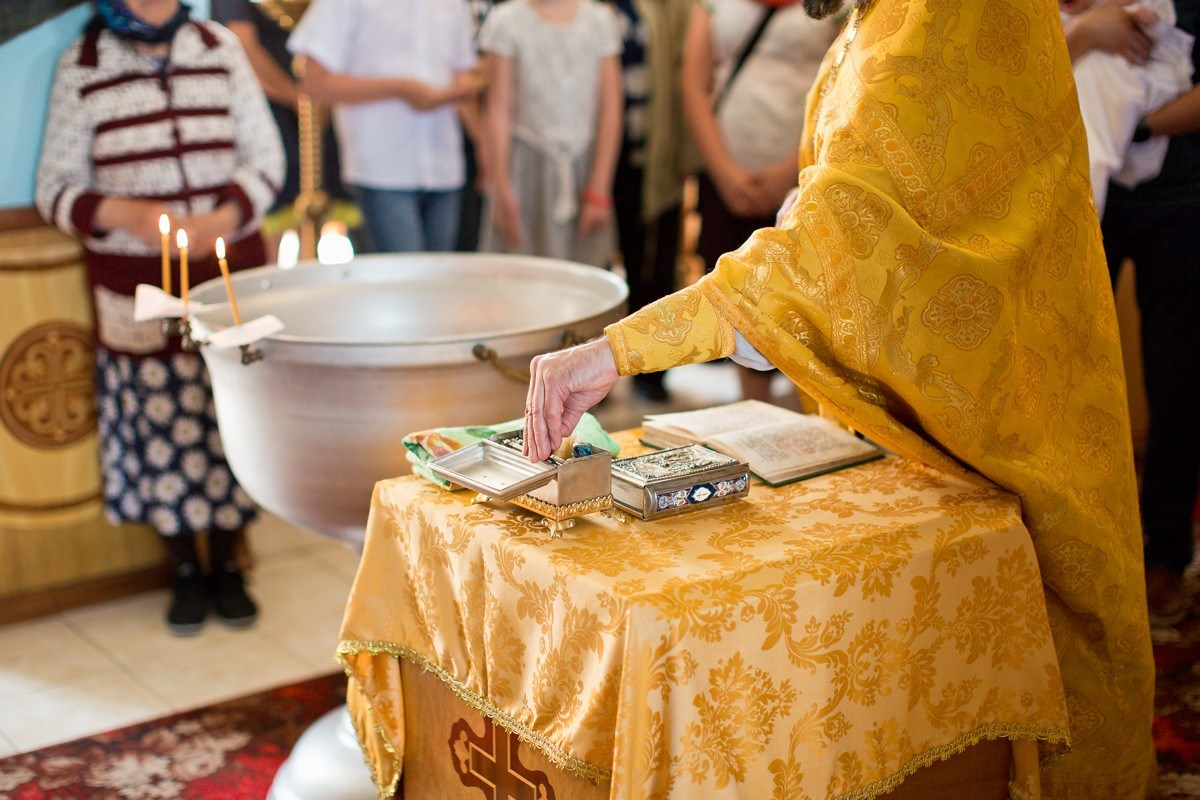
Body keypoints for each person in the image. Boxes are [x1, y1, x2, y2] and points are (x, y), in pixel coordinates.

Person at [522, 0, 1156, 794]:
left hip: (998, 412)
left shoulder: (942, 19)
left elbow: (843, 250)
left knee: (1038, 677)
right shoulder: (884, 15)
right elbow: (845, 210)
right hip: (936, 404)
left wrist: (619, 348)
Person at [36, 0, 285, 635]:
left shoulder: (218, 46)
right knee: (159, 428)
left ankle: (229, 564)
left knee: (234, 418)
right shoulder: (83, 62)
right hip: (135, 288)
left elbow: (266, 162)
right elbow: (56, 189)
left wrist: (221, 220)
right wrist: (132, 216)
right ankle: (183, 571)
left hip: (229, 278)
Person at [1067, 0, 1200, 628]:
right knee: (1067, 364)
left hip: (1183, 198)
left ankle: (1164, 553)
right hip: (1094, 189)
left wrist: (1133, 125)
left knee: (1176, 376)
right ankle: (1077, 540)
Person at [681, 0, 836, 402]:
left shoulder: (833, 5)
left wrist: (792, 169)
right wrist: (724, 172)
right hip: (728, 160)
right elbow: (693, 84)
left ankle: (812, 406)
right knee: (742, 290)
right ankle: (754, 405)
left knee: (806, 291)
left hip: (804, 164)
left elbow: (842, 81)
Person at [287, 0, 483, 254]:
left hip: (444, 164)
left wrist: (486, 148)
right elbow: (314, 83)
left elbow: (463, 70)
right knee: (401, 283)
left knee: (438, 282)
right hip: (381, 168)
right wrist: (400, 89)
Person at [478, 0, 624, 268]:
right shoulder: (506, 20)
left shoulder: (599, 21)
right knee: (522, 277)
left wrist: (599, 189)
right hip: (524, 169)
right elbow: (499, 108)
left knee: (585, 282)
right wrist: (500, 185)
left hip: (585, 169)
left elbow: (610, 107)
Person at [211, 0, 351, 261]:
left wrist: (324, 95)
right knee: (276, 215)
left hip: (321, 105)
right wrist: (301, 99)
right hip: (270, 110)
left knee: (328, 210)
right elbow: (246, 48)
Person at [609, 0, 695, 402]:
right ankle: (590, 374)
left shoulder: (668, 5)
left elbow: (683, 73)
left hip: (651, 151)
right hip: (592, 157)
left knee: (654, 264)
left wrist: (681, 150)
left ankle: (649, 368)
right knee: (594, 269)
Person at [1059, 0, 1193, 217]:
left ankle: (1082, 210)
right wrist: (1082, 32)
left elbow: (1170, 45)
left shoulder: (1138, 7)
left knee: (1093, 157)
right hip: (1089, 124)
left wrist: (1151, 25)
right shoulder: (1059, 17)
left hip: (1174, 177)